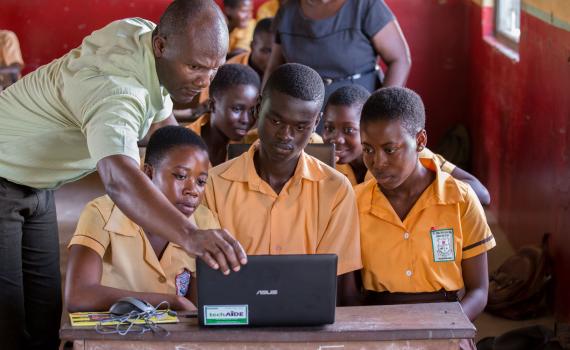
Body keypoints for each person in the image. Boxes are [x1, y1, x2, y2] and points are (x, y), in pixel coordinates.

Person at [0, 1, 246, 349]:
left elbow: (166, 130)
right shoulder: (115, 91)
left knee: (44, 320)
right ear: (162, 47)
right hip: (2, 174)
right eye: (195, 67)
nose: (205, 81)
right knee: (7, 325)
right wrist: (190, 235)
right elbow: (117, 177)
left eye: (214, 69)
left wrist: (212, 200)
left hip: (37, 183)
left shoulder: (144, 38)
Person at [204, 63, 362, 304]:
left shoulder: (337, 190)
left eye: (301, 127)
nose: (286, 135)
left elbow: (337, 281)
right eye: (276, 121)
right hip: (235, 322)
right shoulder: (214, 184)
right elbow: (208, 276)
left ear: (316, 122)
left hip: (307, 326)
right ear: (258, 108)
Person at [347, 87, 495, 325]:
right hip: (378, 321)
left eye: (390, 149)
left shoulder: (461, 199)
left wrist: (448, 329)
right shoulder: (354, 203)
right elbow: (348, 294)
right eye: (368, 149)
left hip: (447, 320)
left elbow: (479, 292)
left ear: (420, 141)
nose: (378, 162)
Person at [66, 126, 218, 312]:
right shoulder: (102, 212)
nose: (193, 190)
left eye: (201, 182)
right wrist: (171, 301)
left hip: (175, 340)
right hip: (112, 336)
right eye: (180, 176)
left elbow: (201, 309)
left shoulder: (204, 221)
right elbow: (79, 296)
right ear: (148, 173)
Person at [322, 85, 491, 205]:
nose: (336, 139)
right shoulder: (322, 157)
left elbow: (482, 194)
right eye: (329, 128)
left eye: (349, 130)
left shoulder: (414, 158)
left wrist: (428, 194)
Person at [265, 0, 411, 133]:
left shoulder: (366, 5)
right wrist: (263, 112)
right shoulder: (287, 11)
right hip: (301, 122)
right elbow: (274, 69)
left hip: (358, 121)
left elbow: (400, 60)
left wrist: (380, 114)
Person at [187, 64, 260, 166]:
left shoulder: (253, 144)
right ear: (212, 105)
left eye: (252, 111)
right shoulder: (182, 144)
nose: (246, 120)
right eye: (237, 109)